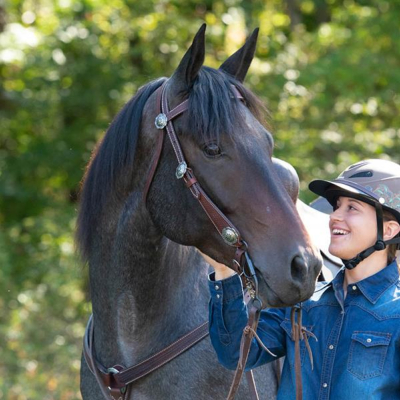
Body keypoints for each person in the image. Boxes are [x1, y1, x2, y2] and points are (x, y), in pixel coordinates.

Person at [206, 159, 400, 399]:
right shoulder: (303, 302)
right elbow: (235, 354)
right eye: (337, 206)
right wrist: (224, 272)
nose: (335, 216)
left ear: (389, 231)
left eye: (352, 208)